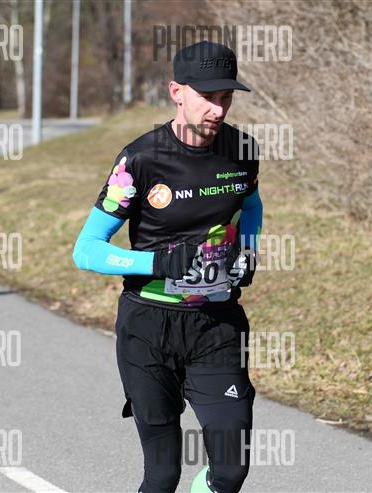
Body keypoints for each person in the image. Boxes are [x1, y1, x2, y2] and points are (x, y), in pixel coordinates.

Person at [72, 40, 263, 493]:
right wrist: (156, 261)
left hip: (217, 326)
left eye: (226, 97)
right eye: (207, 96)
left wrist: (249, 248)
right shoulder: (140, 159)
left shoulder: (242, 149)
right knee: (161, 476)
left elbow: (251, 203)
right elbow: (87, 249)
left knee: (230, 471)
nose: (218, 109)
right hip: (148, 327)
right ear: (177, 92)